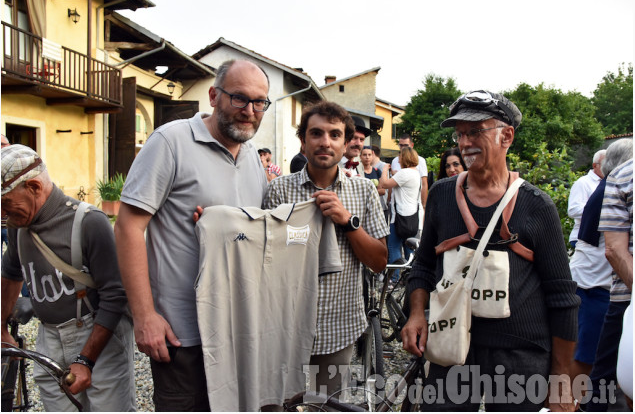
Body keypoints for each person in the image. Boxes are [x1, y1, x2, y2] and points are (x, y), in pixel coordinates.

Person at [401, 90, 579, 411]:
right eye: (460, 134)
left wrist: (562, 380)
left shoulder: (535, 206)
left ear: (506, 136)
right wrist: (416, 314)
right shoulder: (442, 195)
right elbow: (424, 266)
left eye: (476, 131)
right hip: (451, 352)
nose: (465, 142)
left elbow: (563, 298)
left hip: (519, 362)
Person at [114, 59, 270, 411]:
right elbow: (127, 228)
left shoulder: (251, 161)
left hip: (236, 329)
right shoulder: (171, 142)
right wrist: (144, 315)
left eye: (259, 102)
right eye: (239, 98)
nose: (250, 111)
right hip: (182, 332)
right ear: (214, 96)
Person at [263, 100, 389, 398]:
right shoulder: (279, 190)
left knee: (331, 405)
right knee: (278, 403)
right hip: (284, 325)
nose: (325, 142)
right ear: (303, 141)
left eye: (334, 135)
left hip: (339, 323)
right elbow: (264, 259)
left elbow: (380, 261)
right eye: (316, 133)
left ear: (346, 144)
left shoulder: (363, 190)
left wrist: (348, 222)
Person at [1, 144, 135, 411]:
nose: (2, 214)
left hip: (97, 336)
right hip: (48, 337)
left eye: (5, 203)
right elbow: (11, 273)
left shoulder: (89, 222)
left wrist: (86, 360)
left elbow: (115, 294)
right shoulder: (18, 228)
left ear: (34, 188)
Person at [569, 139, 632, 396]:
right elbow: (612, 249)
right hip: (596, 283)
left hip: (604, 282)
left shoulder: (605, 187)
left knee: (599, 356)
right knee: (589, 352)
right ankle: (571, 403)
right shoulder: (601, 188)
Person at [585, 154, 633, 412]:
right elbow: (612, 250)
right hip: (621, 295)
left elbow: (613, 250)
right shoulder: (622, 177)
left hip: (621, 293)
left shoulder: (619, 177)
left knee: (601, 377)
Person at [380, 147, 421, 273]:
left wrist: (384, 170)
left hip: (399, 216)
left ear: (404, 157)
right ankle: (409, 275)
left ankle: (394, 277)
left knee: (393, 246)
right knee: (409, 247)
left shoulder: (405, 173)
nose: (398, 159)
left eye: (400, 156)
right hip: (412, 216)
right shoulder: (415, 173)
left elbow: (384, 184)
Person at [568, 149, 606, 248]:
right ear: (594, 165)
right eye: (604, 164)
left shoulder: (610, 181)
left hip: (601, 239)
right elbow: (573, 210)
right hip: (583, 238)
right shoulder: (583, 182)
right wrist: (599, 209)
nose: (608, 167)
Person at [390, 133, 428, 210]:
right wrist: (389, 200)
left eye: (406, 145)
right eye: (401, 145)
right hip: (396, 205)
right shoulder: (395, 161)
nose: (403, 148)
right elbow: (391, 184)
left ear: (412, 145)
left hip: (413, 206)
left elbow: (424, 184)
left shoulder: (420, 160)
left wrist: (424, 205)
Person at [371, 145, 390, 224]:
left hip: (381, 206)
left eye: (368, 154)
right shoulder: (366, 167)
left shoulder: (383, 166)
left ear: (372, 153)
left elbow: (383, 188)